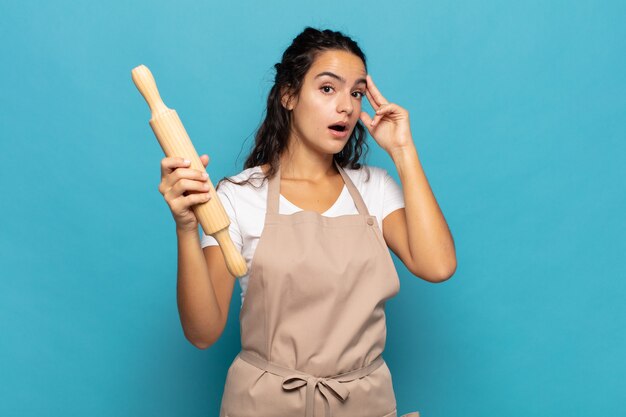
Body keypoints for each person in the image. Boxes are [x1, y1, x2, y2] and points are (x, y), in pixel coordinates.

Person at [158, 27, 455, 417]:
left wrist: (403, 151)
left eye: (356, 92)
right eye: (328, 88)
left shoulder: (374, 189)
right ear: (289, 95)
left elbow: (438, 266)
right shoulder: (239, 195)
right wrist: (185, 228)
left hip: (363, 405)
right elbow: (203, 331)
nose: (347, 107)